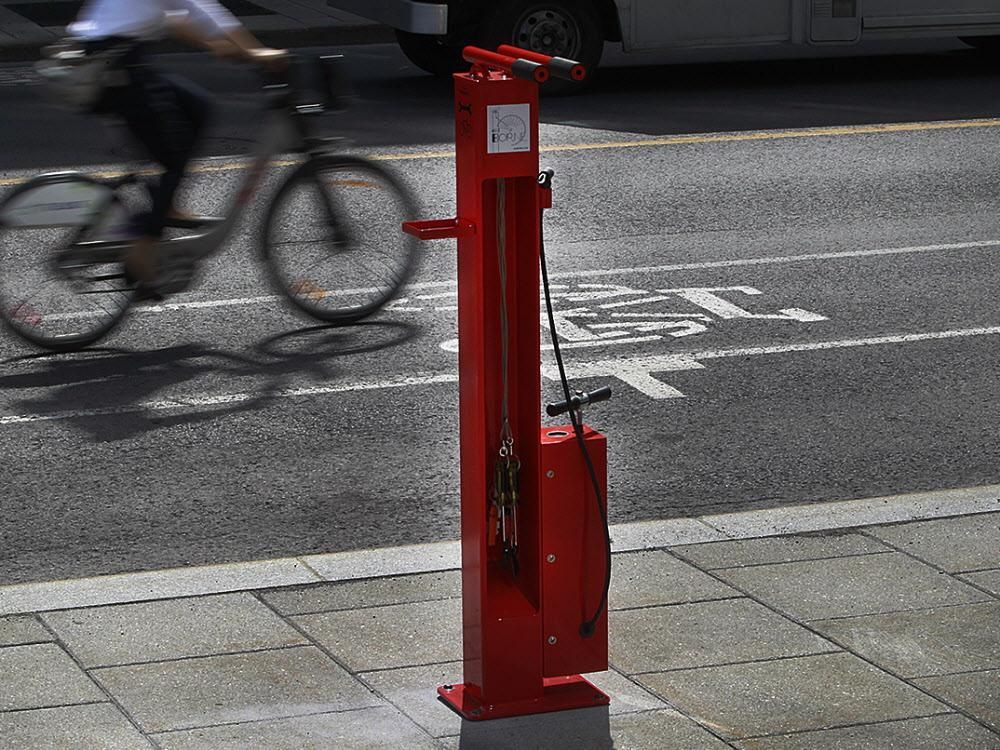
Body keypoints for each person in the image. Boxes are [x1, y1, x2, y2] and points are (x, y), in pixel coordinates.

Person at [67, 0, 287, 297]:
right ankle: (144, 247)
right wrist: (255, 51)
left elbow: (175, 18)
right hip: (116, 64)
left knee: (198, 108)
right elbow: (202, 10)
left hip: (113, 59)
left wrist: (215, 44)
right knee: (174, 152)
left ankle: (164, 205)